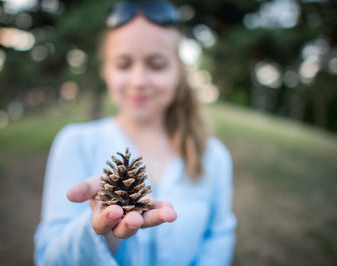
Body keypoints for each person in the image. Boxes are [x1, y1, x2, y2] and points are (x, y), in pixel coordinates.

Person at [34, 1, 236, 265]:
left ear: (178, 72)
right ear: (105, 70)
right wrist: (103, 233)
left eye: (156, 64)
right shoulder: (74, 143)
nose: (139, 81)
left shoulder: (214, 157)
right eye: (123, 64)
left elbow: (219, 239)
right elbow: (48, 258)